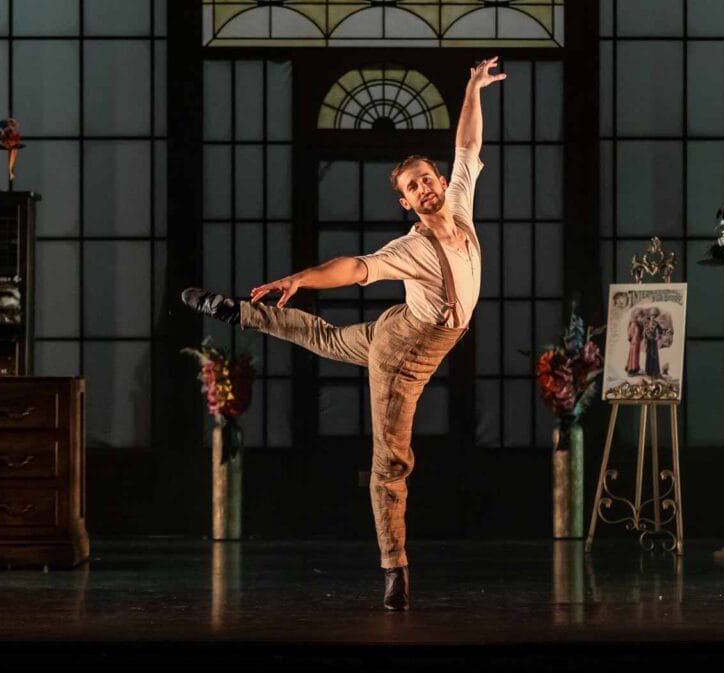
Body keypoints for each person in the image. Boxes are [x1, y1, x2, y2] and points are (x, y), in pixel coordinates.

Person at [181, 58, 506, 611]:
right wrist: (301, 278)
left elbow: (468, 147)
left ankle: (239, 313)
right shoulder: (411, 247)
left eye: (427, 178)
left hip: (398, 330)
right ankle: (394, 567)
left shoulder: (459, 203)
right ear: (405, 202)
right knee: (391, 463)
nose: (427, 189)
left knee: (327, 340)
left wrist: (473, 88)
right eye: (413, 187)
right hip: (401, 357)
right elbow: (355, 268)